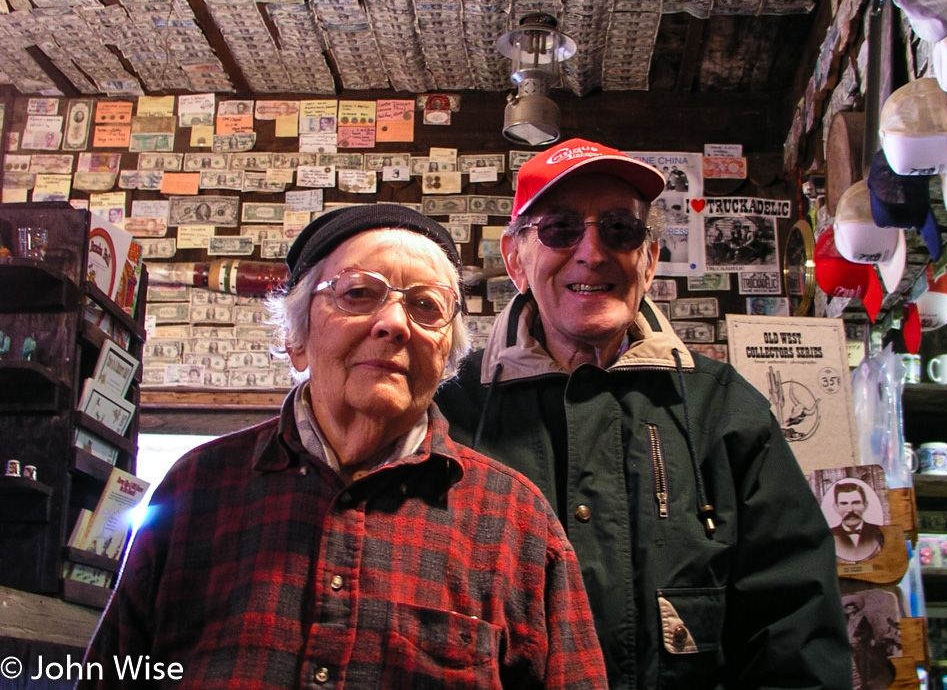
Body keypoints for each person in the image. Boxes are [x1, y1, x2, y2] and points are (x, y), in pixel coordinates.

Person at [78, 204, 608, 690]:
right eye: (358, 293)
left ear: (447, 357)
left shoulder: (516, 520)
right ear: (296, 337)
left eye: (425, 306)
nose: (395, 324)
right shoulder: (197, 486)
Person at [436, 138, 851, 689]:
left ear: (649, 260)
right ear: (517, 259)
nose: (592, 251)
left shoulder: (725, 410)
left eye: (620, 229)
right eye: (560, 228)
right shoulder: (448, 409)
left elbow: (796, 636)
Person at [830, 480, 884, 563]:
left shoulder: (878, 532)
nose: (850, 510)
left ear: (865, 505)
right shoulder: (829, 536)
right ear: (835, 507)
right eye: (844, 504)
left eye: (856, 503)